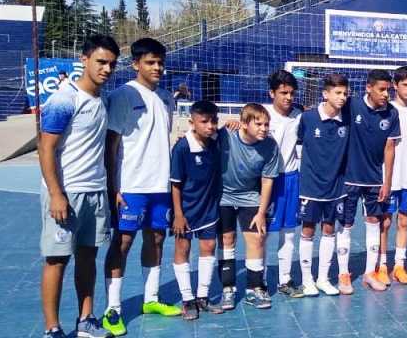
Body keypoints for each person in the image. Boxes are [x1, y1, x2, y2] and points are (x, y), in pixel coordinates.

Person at [39, 35, 119, 338]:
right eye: (101, 62)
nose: (107, 69)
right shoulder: (64, 98)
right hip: (66, 193)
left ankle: (85, 321)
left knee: (88, 257)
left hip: (95, 192)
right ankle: (52, 328)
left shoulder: (103, 100)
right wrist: (57, 194)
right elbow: (45, 148)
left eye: (112, 64)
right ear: (84, 60)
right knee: (57, 258)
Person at [102, 38, 179, 336]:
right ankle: (113, 309)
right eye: (150, 62)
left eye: (160, 62)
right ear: (136, 64)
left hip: (159, 185)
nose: (157, 67)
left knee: (157, 239)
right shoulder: (123, 96)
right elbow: (111, 147)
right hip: (131, 186)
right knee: (122, 243)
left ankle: (151, 299)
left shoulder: (166, 98)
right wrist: (114, 188)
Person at [217, 103, 282, 309]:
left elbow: (267, 180)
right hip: (223, 195)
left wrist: (262, 212)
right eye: (259, 124)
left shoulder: (270, 146)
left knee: (257, 238)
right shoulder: (226, 135)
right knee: (227, 239)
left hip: (250, 196)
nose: (264, 128)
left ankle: (255, 289)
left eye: (267, 124)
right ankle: (228, 289)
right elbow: (203, 137)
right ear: (244, 124)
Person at [343, 69, 401, 291]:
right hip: (349, 179)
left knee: (374, 223)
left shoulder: (392, 114)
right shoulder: (352, 105)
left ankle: (370, 272)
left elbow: (390, 149)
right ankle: (343, 274)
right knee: (346, 225)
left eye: (388, 90)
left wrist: (387, 182)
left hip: (375, 180)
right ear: (368, 88)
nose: (386, 94)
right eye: (382, 90)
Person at [296, 73, 351, 296]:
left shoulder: (347, 119)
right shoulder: (308, 118)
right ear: (325, 94)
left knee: (329, 229)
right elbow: (298, 144)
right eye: (337, 93)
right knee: (308, 229)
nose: (342, 97)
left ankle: (323, 278)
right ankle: (307, 279)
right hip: (311, 185)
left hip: (336, 185)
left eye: (345, 93)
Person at [169, 100, 225, 320]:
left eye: (213, 121)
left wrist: (231, 126)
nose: (210, 126)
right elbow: (175, 184)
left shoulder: (215, 141)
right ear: (192, 122)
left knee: (209, 245)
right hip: (185, 208)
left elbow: (229, 131)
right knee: (182, 248)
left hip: (209, 206)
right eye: (204, 121)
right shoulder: (182, 147)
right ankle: (187, 299)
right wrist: (178, 215)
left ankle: (202, 297)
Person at [264, 70, 304, 298]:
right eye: (283, 93)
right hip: (267, 181)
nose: (288, 97)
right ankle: (257, 280)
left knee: (289, 233)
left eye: (291, 93)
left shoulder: (299, 116)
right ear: (272, 93)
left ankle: (285, 279)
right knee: (262, 234)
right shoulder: (262, 114)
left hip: (291, 179)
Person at [384, 66, 407, 285]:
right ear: (395, 86)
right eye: (405, 85)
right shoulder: (387, 110)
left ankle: (399, 265)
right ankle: (381, 265)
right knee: (386, 222)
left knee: (404, 221)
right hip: (391, 176)